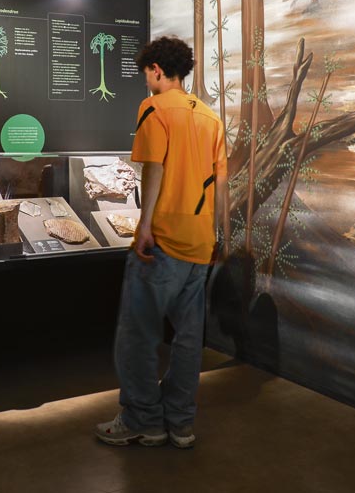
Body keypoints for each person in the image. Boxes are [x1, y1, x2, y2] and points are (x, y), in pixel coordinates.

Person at [95, 35, 227, 449]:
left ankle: (144, 421)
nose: (145, 82)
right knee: (188, 340)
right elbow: (221, 183)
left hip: (164, 239)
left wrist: (144, 227)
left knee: (138, 335)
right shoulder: (210, 117)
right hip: (201, 239)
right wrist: (219, 232)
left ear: (155, 70)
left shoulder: (154, 108)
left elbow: (154, 170)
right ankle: (181, 424)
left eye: (145, 74)